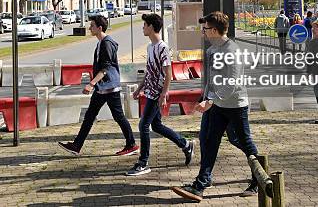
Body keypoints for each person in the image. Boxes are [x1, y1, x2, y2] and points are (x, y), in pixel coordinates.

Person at [172, 11, 259, 202]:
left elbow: (232, 82)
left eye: (205, 29)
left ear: (214, 30)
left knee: (242, 142)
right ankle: (200, 185)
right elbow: (212, 80)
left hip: (235, 106)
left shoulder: (231, 51)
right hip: (216, 106)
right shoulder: (212, 50)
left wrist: (211, 100)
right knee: (209, 141)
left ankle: (259, 179)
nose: (203, 32)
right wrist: (206, 98)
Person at [58, 15, 138, 156]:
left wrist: (91, 83)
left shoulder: (107, 43)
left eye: (92, 26)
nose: (90, 28)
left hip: (109, 87)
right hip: (102, 88)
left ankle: (131, 144)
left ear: (99, 28)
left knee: (118, 116)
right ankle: (77, 145)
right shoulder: (101, 42)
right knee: (90, 116)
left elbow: (105, 68)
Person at [126, 13, 194, 176]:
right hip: (149, 91)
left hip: (157, 93)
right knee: (156, 125)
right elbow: (149, 72)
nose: (143, 28)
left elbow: (168, 73)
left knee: (143, 125)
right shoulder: (150, 47)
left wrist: (164, 94)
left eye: (144, 25)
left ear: (151, 27)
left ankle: (143, 162)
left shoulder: (162, 47)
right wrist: (139, 88)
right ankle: (185, 144)